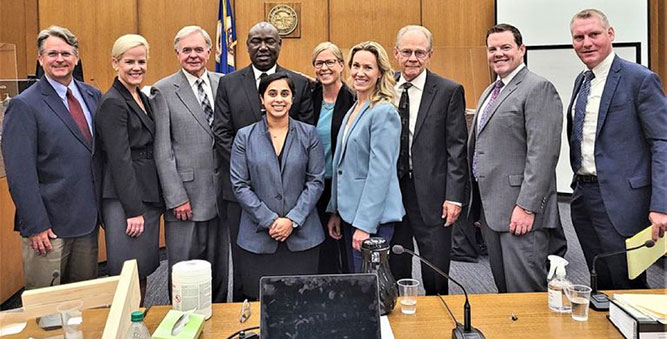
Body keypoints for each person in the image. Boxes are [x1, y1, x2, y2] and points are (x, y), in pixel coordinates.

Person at [213, 21, 313, 301]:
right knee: (246, 269)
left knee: (293, 270)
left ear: (280, 45)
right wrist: (251, 169)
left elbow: (307, 136)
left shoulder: (301, 84)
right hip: (241, 193)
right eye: (256, 41)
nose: (263, 47)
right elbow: (222, 133)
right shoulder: (228, 83)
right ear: (246, 46)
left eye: (270, 41)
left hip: (292, 195)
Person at [567, 9, 667, 289]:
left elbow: (662, 143)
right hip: (584, 198)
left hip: (621, 202)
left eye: (594, 34)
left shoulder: (640, 79)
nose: (586, 43)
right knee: (600, 281)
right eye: (579, 37)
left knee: (628, 284)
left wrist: (661, 205)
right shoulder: (582, 81)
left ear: (610, 34)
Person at [2, 26, 101, 290]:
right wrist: (36, 225)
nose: (60, 59)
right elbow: (20, 173)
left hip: (86, 222)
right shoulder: (24, 105)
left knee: (83, 302)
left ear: (76, 58)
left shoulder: (92, 95)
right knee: (47, 311)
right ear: (40, 59)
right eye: (52, 53)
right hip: (48, 228)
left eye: (66, 53)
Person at [468, 24, 563, 293]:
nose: (498, 53)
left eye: (505, 47)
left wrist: (527, 207)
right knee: (505, 294)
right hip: (492, 211)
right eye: (492, 49)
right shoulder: (491, 90)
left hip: (520, 212)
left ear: (522, 50)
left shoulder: (538, 88)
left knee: (525, 295)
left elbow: (542, 154)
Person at [229, 72, 325, 300]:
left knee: (302, 304)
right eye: (272, 93)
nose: (278, 99)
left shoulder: (309, 134)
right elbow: (240, 184)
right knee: (260, 305)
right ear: (262, 99)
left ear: (293, 99)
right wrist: (270, 220)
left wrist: (292, 220)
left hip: (303, 238)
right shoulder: (244, 136)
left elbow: (316, 181)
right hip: (258, 239)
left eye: (285, 93)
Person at [388, 25, 468, 295]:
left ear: (430, 55)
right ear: (396, 53)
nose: (413, 58)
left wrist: (454, 197)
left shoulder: (448, 91)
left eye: (419, 52)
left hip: (433, 195)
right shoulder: (385, 88)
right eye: (407, 51)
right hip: (392, 194)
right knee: (395, 262)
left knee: (434, 267)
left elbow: (457, 149)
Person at [151, 26, 228, 302]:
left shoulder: (224, 84)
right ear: (177, 53)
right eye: (187, 50)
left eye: (199, 49)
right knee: (184, 270)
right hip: (185, 199)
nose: (193, 55)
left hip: (220, 194)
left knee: (219, 268)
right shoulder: (162, 90)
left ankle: (219, 319)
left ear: (210, 51)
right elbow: (163, 149)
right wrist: (175, 197)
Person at [326, 41, 405, 273]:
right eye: (356, 66)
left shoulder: (384, 112)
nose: (360, 73)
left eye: (368, 68)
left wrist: (365, 226)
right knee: (359, 284)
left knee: (371, 288)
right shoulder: (355, 108)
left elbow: (380, 173)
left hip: (372, 220)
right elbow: (341, 165)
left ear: (380, 72)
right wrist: (335, 211)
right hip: (351, 213)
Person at [95, 34, 162, 302]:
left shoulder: (139, 97)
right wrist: (133, 210)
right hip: (127, 201)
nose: (137, 67)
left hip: (145, 193)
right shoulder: (113, 102)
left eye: (142, 61)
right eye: (129, 61)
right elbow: (119, 159)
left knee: (141, 269)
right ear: (115, 63)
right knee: (127, 272)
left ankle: (137, 323)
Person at [310, 42, 355, 274]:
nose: (324, 68)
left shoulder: (354, 99)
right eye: (319, 63)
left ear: (341, 65)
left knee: (343, 248)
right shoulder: (309, 98)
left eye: (330, 62)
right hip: (312, 184)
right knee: (319, 249)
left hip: (342, 184)